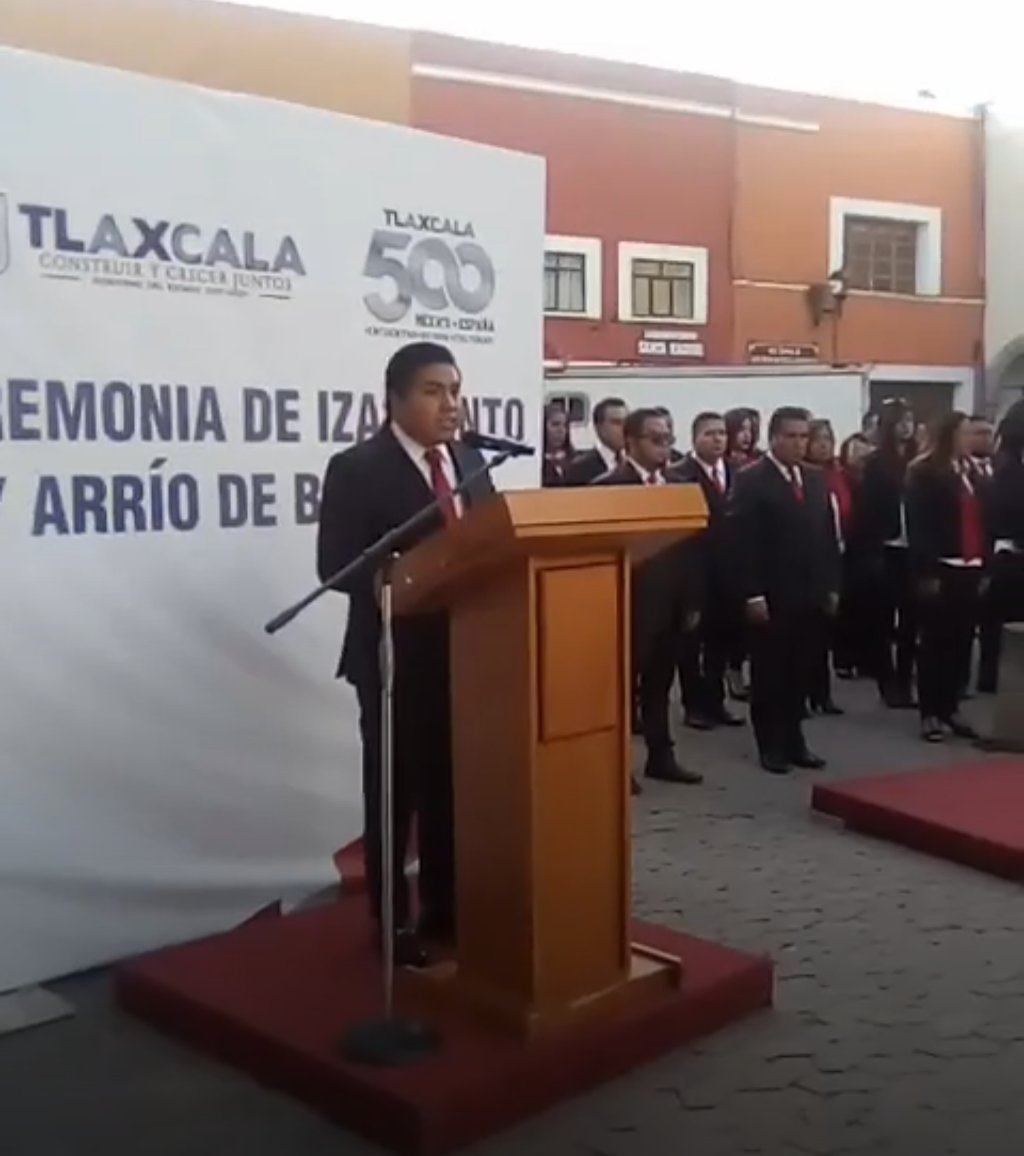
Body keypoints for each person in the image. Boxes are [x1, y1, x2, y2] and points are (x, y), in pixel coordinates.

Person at [316, 341, 494, 966]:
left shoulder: (470, 459)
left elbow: (491, 544)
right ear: (393, 399)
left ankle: (448, 910)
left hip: (468, 654)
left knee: (452, 791)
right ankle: (391, 921)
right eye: (433, 391)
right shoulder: (357, 468)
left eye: (456, 391)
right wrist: (396, 574)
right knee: (395, 795)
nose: (450, 404)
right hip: (394, 658)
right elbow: (336, 565)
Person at [727, 406, 840, 775]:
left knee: (799, 671)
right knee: (770, 674)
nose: (798, 443)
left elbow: (826, 536)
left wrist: (830, 585)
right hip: (771, 594)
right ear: (773, 437)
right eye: (791, 436)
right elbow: (742, 543)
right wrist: (752, 593)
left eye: (803, 436)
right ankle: (770, 744)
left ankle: (795, 740)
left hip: (809, 593)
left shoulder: (816, 479)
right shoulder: (751, 480)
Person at [596, 407, 704, 790]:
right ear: (631, 441)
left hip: (672, 604)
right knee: (622, 692)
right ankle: (617, 766)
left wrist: (692, 601)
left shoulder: (679, 484)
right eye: (656, 439)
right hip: (629, 604)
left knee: (660, 686)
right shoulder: (608, 487)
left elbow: (692, 546)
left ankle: (662, 757)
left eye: (668, 439)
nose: (664, 447)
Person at [905, 411, 990, 743]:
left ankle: (951, 706)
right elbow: (919, 525)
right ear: (950, 435)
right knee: (935, 643)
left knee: (961, 640)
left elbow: (984, 520)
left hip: (971, 565)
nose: (971, 439)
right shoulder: (925, 472)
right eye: (966, 433)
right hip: (942, 566)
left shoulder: (973, 472)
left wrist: (984, 565)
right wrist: (926, 570)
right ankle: (930, 711)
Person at [670, 411, 744, 730]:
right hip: (695, 572)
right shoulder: (679, 475)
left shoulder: (738, 473)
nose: (717, 440)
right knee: (690, 645)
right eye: (710, 434)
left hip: (728, 573)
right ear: (695, 438)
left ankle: (716, 702)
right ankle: (694, 706)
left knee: (720, 643)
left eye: (721, 434)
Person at [858, 398, 920, 709]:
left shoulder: (919, 458)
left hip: (914, 548)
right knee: (882, 619)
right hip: (886, 547)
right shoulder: (876, 463)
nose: (906, 427)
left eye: (910, 421)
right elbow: (867, 511)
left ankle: (906, 680)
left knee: (911, 619)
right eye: (901, 421)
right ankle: (887, 680)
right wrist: (871, 550)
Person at [979, 400, 1024, 692]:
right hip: (1009, 555)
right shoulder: (1006, 468)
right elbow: (1002, 512)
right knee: (1001, 622)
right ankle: (993, 677)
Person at [803, 419, 846, 716]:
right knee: (801, 640)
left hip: (830, 559)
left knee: (822, 635)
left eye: (828, 439)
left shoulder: (832, 477)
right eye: (816, 439)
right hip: (800, 568)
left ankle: (822, 693)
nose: (823, 445)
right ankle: (801, 694)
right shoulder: (801, 478)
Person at [833, 433, 874, 679]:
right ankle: (844, 658)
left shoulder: (872, 479)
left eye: (865, 453)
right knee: (847, 605)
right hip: (845, 546)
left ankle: (865, 657)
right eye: (856, 452)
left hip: (866, 546)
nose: (860, 457)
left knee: (866, 605)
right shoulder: (840, 478)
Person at [562, 396, 628, 485]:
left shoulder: (634, 463)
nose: (624, 428)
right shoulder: (579, 469)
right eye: (617, 423)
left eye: (626, 422)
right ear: (599, 427)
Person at [542, 401, 575, 486]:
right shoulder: (534, 463)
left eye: (565, 426)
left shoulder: (576, 460)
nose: (561, 430)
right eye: (555, 424)